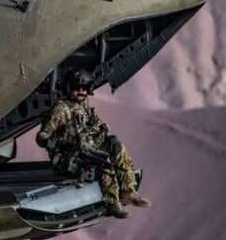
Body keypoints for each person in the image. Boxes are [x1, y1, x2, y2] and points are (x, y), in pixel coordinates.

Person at [36, 69, 150, 219]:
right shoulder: (61, 110)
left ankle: (128, 192)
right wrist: (57, 143)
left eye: (84, 88)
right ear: (70, 88)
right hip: (67, 158)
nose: (81, 92)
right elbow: (42, 137)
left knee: (117, 147)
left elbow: (97, 128)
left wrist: (106, 137)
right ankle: (112, 203)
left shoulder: (85, 109)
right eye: (77, 88)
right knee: (103, 163)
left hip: (87, 151)